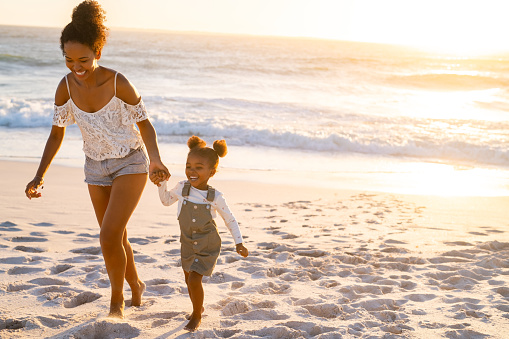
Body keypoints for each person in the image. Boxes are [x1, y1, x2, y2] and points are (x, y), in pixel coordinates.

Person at [24, 0, 170, 318]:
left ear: (97, 53)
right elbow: (57, 133)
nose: (76, 66)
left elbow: (145, 124)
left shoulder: (119, 82)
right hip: (94, 167)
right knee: (117, 236)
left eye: (84, 59)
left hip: (130, 162)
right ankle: (136, 287)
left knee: (107, 235)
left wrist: (155, 160)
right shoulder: (64, 88)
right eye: (69, 59)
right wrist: (39, 175)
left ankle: (116, 302)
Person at [158, 135, 248, 331]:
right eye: (189, 166)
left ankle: (197, 315)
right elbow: (165, 200)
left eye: (199, 167)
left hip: (208, 243)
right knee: (187, 278)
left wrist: (238, 242)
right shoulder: (182, 188)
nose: (192, 171)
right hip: (187, 242)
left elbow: (229, 219)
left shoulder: (215, 196)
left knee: (194, 279)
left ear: (211, 172)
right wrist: (161, 183)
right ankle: (196, 308)